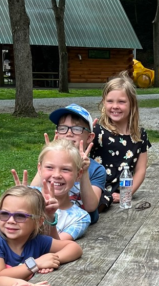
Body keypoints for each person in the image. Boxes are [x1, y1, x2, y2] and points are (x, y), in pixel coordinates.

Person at [16, 104, 106, 225]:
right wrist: (46, 158)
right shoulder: (51, 164)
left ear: (89, 137)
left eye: (77, 129)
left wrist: (84, 171)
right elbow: (35, 193)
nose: (69, 133)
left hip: (77, 222)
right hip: (50, 218)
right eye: (63, 128)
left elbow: (90, 207)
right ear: (57, 134)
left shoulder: (96, 169)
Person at [91, 72, 151, 210]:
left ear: (132, 104)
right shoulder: (97, 131)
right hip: (96, 194)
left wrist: (127, 193)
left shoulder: (140, 135)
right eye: (110, 101)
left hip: (122, 199)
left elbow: (141, 170)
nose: (115, 106)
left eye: (121, 102)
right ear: (103, 103)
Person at [34, 139, 92, 242]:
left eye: (65, 169)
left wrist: (49, 217)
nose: (56, 175)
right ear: (40, 169)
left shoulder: (80, 218)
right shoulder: (26, 196)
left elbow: (57, 245)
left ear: (78, 174)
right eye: (49, 167)